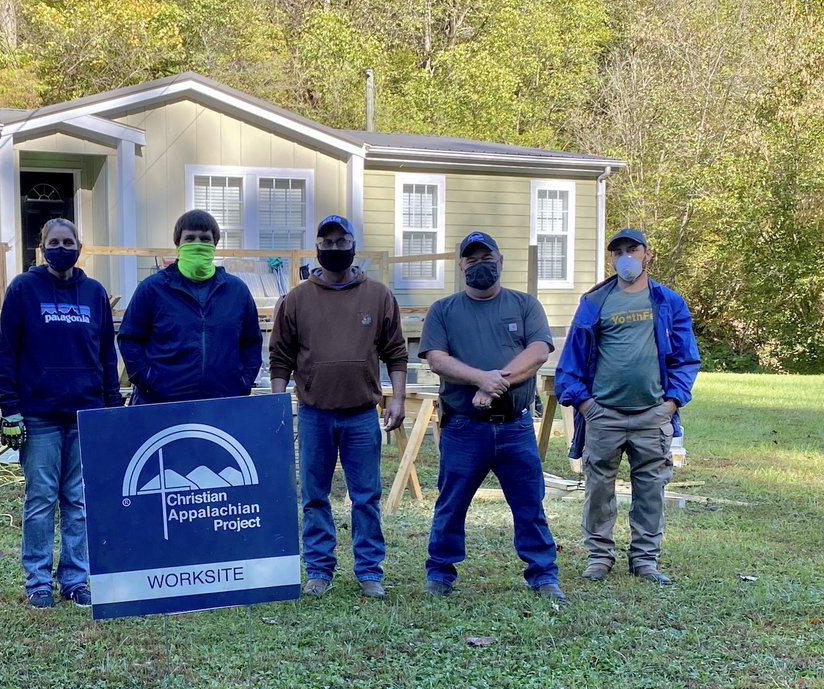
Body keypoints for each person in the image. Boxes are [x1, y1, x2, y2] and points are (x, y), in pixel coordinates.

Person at [419, 231, 565, 601]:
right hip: (464, 428)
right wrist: (482, 379)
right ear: (461, 266)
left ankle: (543, 575)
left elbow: (537, 352)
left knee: (530, 504)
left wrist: (492, 386)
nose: (480, 265)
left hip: (515, 427)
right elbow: (437, 359)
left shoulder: (524, 304)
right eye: (472, 259)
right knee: (451, 504)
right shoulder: (444, 310)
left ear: (501, 261)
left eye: (487, 258)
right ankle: (440, 573)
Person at [269, 215, 408, 599]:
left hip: (362, 414)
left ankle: (369, 571)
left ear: (352, 244)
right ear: (317, 247)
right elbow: (280, 356)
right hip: (314, 414)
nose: (333, 248)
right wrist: (281, 403)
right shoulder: (296, 299)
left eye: (340, 241)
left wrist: (396, 398)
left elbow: (396, 352)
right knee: (314, 495)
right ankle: (318, 569)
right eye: (326, 242)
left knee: (366, 497)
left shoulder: (378, 296)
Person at [555, 228, 700, 585]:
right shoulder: (594, 302)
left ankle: (645, 560)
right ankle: (599, 557)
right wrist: (586, 405)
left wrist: (671, 403)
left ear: (648, 254)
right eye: (617, 250)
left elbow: (686, 359)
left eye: (632, 249)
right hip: (603, 415)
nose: (625, 256)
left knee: (651, 488)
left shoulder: (668, 302)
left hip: (653, 415)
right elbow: (571, 363)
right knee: (598, 489)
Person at [0, 218, 123, 609]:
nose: (62, 247)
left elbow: (106, 355)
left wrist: (111, 407)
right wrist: (10, 409)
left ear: (79, 246)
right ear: (42, 246)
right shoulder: (23, 290)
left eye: (68, 241)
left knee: (78, 502)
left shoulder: (95, 293)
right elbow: (7, 353)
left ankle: (75, 579)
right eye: (54, 241)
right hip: (39, 416)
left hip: (84, 414)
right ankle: (37, 582)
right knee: (40, 500)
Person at [117, 209, 262, 404]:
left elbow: (251, 342)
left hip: (222, 404)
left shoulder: (237, 291)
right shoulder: (153, 288)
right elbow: (129, 339)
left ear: (215, 244)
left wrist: (243, 382)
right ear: (178, 244)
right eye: (190, 238)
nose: (197, 244)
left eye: (204, 239)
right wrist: (148, 380)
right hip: (163, 405)